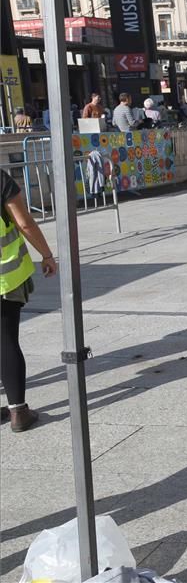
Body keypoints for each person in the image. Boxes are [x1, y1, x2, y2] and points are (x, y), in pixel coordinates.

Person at [1, 169, 57, 432]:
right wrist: (46, 254)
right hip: (5, 277)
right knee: (6, 340)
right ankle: (18, 412)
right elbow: (24, 223)